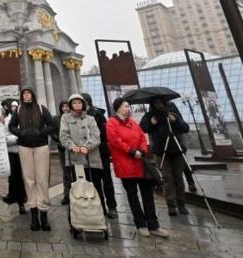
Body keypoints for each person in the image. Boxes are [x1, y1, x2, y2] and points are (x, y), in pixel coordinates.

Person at [106, 98, 169, 239]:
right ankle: (140, 224)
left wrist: (142, 149)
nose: (128, 109)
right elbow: (115, 141)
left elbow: (142, 136)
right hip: (126, 165)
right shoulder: (111, 122)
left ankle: (154, 225)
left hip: (140, 163)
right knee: (133, 195)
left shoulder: (133, 122)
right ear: (118, 108)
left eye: (129, 106)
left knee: (147, 195)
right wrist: (131, 151)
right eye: (125, 106)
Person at [60, 94, 112, 226]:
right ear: (71, 105)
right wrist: (72, 146)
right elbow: (63, 136)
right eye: (74, 103)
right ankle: (78, 214)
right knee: (78, 186)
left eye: (79, 103)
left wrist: (87, 147)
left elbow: (96, 136)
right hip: (75, 158)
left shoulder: (91, 118)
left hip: (92, 158)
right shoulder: (65, 118)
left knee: (95, 185)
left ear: (83, 104)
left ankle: (99, 213)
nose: (77, 105)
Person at [8, 87, 56, 232]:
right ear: (22, 96)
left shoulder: (41, 108)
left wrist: (41, 132)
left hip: (41, 146)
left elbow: (52, 124)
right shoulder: (19, 110)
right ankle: (34, 215)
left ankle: (44, 214)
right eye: (24, 94)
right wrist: (20, 133)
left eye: (28, 93)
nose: (26, 95)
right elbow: (11, 126)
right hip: (25, 147)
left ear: (33, 95)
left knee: (42, 179)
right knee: (29, 180)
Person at [140, 98, 190, 216]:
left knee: (178, 177)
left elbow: (185, 128)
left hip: (177, 150)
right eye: (155, 102)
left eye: (160, 102)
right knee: (167, 178)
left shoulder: (173, 113)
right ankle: (171, 204)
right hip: (160, 152)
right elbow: (142, 128)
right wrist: (152, 123)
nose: (158, 104)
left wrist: (175, 121)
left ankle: (181, 203)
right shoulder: (149, 116)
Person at [81, 93, 118, 218]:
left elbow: (103, 133)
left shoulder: (97, 114)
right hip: (88, 155)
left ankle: (112, 206)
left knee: (107, 180)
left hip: (101, 153)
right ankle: (100, 206)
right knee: (94, 182)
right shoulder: (78, 116)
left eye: (82, 101)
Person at [1, 100, 26, 214]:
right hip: (11, 151)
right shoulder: (6, 120)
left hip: (23, 151)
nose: (14, 108)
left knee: (22, 176)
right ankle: (12, 195)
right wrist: (17, 139)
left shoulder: (24, 117)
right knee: (12, 176)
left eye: (16, 106)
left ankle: (22, 198)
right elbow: (4, 136)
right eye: (11, 106)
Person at [52, 100, 72, 205]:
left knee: (76, 172)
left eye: (67, 106)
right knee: (66, 172)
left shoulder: (73, 117)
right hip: (62, 149)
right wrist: (58, 141)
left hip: (74, 149)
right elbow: (53, 132)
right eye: (63, 106)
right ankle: (67, 195)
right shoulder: (56, 119)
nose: (65, 108)